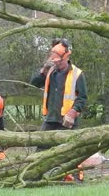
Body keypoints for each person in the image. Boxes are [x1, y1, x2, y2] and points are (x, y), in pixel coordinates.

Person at [29, 38, 87, 181]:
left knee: (73, 150)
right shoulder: (50, 71)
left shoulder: (77, 74)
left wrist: (72, 113)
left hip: (67, 120)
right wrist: (43, 70)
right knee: (41, 148)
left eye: (58, 61)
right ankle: (33, 177)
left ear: (66, 58)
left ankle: (76, 178)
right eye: (54, 60)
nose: (56, 63)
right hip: (51, 118)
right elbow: (34, 83)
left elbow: (82, 98)